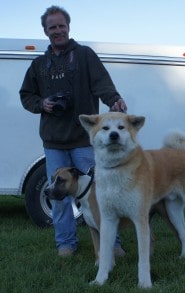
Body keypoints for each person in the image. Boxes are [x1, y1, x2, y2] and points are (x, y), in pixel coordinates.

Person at [19, 6, 127, 257]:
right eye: (52, 27)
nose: (57, 31)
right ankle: (66, 243)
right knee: (58, 195)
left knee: (99, 195)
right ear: (45, 31)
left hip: (83, 140)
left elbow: (102, 84)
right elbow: (26, 95)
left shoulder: (85, 55)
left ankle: (113, 242)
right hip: (54, 142)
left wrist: (114, 99)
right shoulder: (39, 64)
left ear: (68, 27)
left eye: (61, 25)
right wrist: (41, 104)